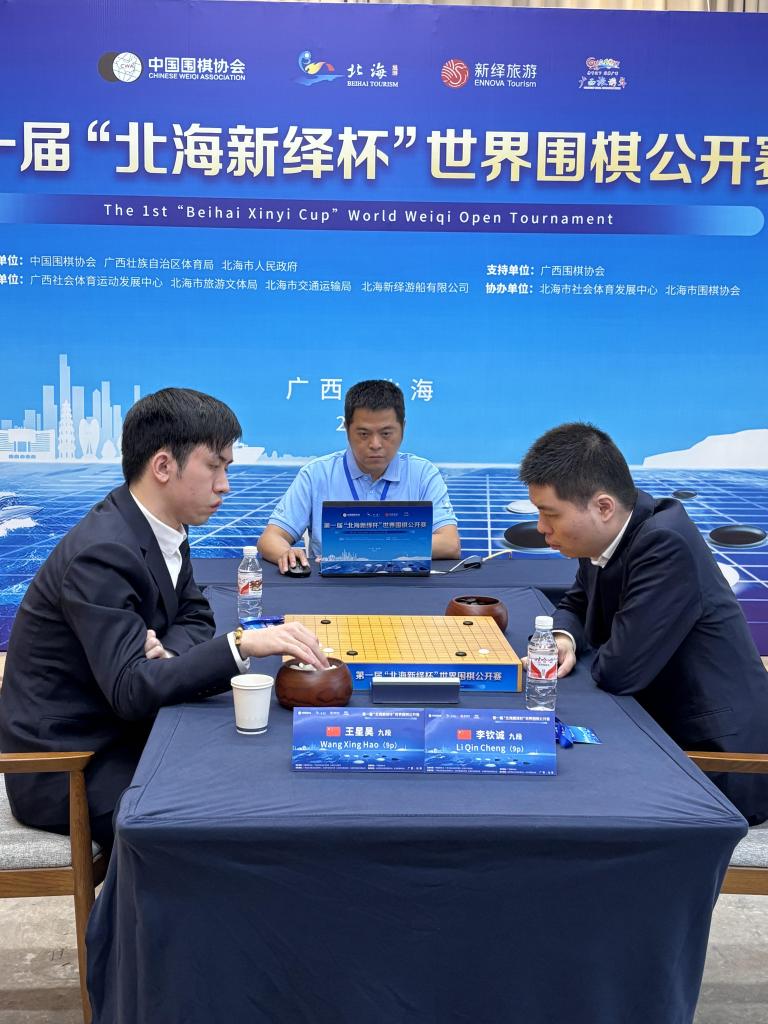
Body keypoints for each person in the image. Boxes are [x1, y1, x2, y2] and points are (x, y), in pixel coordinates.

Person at [0, 388, 328, 851]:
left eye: (228, 468)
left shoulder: (162, 525)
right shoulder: (103, 553)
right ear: (162, 466)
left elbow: (195, 614)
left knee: (250, 769)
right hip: (73, 766)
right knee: (224, 817)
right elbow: (132, 691)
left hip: (122, 729)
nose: (225, 485)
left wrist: (165, 653)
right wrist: (243, 644)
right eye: (214, 467)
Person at [519, 421, 768, 825]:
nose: (542, 529)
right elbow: (576, 602)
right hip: (660, 721)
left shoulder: (664, 544)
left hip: (715, 757)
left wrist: (590, 643)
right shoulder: (613, 532)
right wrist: (564, 638)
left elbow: (619, 671)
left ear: (603, 507)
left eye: (550, 514)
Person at [258, 379, 461, 572]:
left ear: (403, 428)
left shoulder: (423, 474)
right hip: (331, 589)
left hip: (405, 585)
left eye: (386, 433)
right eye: (364, 434)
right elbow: (270, 538)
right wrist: (286, 553)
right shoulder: (317, 474)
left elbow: (450, 544)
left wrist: (365, 548)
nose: (375, 444)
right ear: (346, 428)